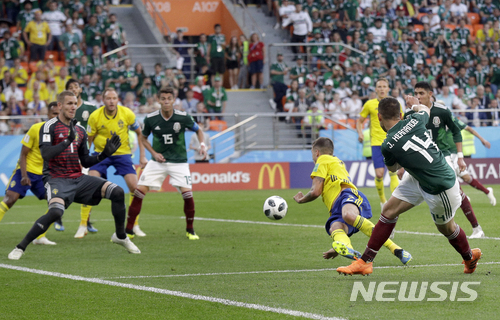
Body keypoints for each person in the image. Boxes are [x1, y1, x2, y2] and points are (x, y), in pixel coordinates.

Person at [337, 97, 482, 276]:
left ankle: (469, 257)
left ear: (379, 117)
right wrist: (414, 104)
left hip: (439, 186)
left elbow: (393, 168)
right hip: (420, 176)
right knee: (389, 211)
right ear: (400, 114)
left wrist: (405, 159)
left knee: (447, 228)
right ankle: (365, 262)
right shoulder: (415, 119)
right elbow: (425, 110)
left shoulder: (387, 144)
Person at [7, 91, 141, 260]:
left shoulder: (80, 129)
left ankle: (120, 236)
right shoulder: (49, 127)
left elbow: (85, 161)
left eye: (75, 103)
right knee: (55, 213)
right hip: (56, 180)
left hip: (77, 178)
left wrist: (104, 155)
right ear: (60, 105)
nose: (73, 107)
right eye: (69, 103)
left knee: (117, 192)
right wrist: (67, 141)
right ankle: (20, 247)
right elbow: (46, 154)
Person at [293, 137, 412, 264]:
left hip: (345, 195)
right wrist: (339, 245)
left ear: (317, 152)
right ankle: (346, 246)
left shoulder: (322, 160)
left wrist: (301, 200)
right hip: (336, 206)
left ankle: (396, 248)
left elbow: (315, 191)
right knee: (336, 228)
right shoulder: (337, 161)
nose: (313, 158)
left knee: (348, 215)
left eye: (312, 154)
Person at [403, 82, 484, 238]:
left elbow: (456, 132)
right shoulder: (410, 113)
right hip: (421, 159)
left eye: (421, 93)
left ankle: (477, 228)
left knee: (457, 191)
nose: (418, 97)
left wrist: (460, 158)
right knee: (400, 192)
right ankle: (389, 226)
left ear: (430, 94)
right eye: (416, 93)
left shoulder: (442, 111)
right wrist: (402, 165)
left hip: (442, 156)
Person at [125, 87, 207, 240]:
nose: (166, 101)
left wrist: (203, 145)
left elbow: (199, 130)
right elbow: (143, 138)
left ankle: (190, 230)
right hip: (157, 161)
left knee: (187, 194)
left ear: (174, 100)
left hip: (179, 162)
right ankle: (128, 230)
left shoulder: (183, 117)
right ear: (159, 100)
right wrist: (154, 153)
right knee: (139, 192)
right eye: (163, 98)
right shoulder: (151, 118)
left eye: (169, 98)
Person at [84, 88, 148, 238]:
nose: (111, 101)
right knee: (90, 185)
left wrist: (142, 156)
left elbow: (140, 133)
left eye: (114, 98)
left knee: (135, 188)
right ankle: (83, 224)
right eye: (108, 98)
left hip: (122, 154)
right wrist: (85, 158)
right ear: (103, 100)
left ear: (117, 100)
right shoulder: (95, 116)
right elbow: (89, 139)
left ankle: (134, 225)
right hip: (100, 154)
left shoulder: (127, 114)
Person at [0, 102, 60, 246]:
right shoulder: (35, 129)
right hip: (26, 170)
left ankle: (40, 237)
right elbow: (23, 154)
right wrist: (25, 175)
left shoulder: (61, 134)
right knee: (10, 199)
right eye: (53, 114)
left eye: (59, 114)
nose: (56, 117)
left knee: (57, 203)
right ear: (47, 115)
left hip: (43, 175)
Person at [356, 78, 400, 210]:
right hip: (376, 143)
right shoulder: (369, 104)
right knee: (379, 174)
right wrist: (360, 133)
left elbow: (401, 120)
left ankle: (394, 202)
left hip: (391, 141)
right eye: (379, 86)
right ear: (375, 89)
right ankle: (383, 202)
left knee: (393, 173)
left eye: (384, 86)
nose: (381, 89)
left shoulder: (394, 103)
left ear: (388, 89)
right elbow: (359, 121)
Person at [64, 79, 99, 234]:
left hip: (83, 154)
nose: (74, 89)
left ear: (80, 89)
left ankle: (84, 224)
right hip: (65, 154)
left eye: (76, 87)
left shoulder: (90, 108)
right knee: (63, 187)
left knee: (87, 188)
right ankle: (57, 218)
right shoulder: (63, 109)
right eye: (70, 88)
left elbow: (96, 128)